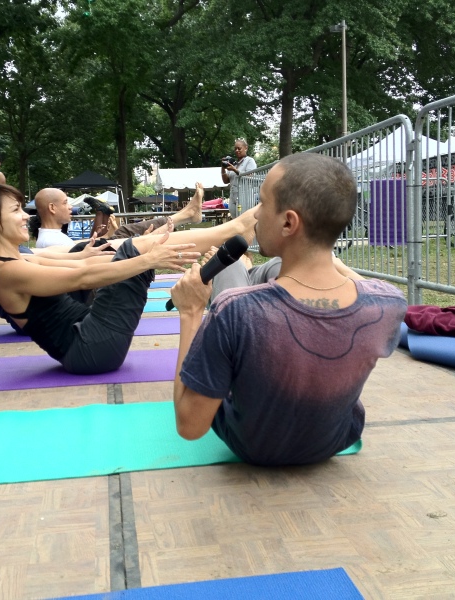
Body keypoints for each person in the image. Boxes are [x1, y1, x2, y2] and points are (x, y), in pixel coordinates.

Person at [170, 152, 407, 467]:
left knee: (232, 269)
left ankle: (242, 267)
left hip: (252, 446)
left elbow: (190, 426)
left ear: (288, 222)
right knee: (275, 268)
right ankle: (252, 269)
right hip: (333, 442)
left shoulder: (234, 310)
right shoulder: (389, 304)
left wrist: (190, 312)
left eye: (262, 203)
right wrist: (332, 262)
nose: (255, 214)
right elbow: (371, 288)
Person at [0, 183, 258, 375]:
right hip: (90, 349)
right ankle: (234, 229)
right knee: (132, 250)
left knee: (129, 248)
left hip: (91, 335)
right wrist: (147, 259)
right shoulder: (4, 271)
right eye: (16, 210)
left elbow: (84, 263)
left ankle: (232, 229)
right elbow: (83, 277)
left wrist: (143, 251)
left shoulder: (15, 260)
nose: (26, 216)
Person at [34, 186, 204, 250]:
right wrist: (141, 241)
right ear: (52, 208)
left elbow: (76, 248)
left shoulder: (51, 236)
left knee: (124, 231)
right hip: (107, 262)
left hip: (104, 254)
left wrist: (99, 238)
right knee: (135, 237)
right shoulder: (51, 241)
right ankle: (187, 214)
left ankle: (186, 215)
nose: (70, 207)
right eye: (66, 203)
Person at [220, 138, 257, 218]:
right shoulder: (234, 164)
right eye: (235, 149)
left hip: (245, 195)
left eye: (239, 148)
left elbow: (250, 177)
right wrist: (223, 167)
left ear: (246, 148)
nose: (237, 150)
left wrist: (235, 170)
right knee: (235, 219)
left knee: (243, 219)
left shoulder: (250, 161)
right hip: (233, 195)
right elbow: (226, 181)